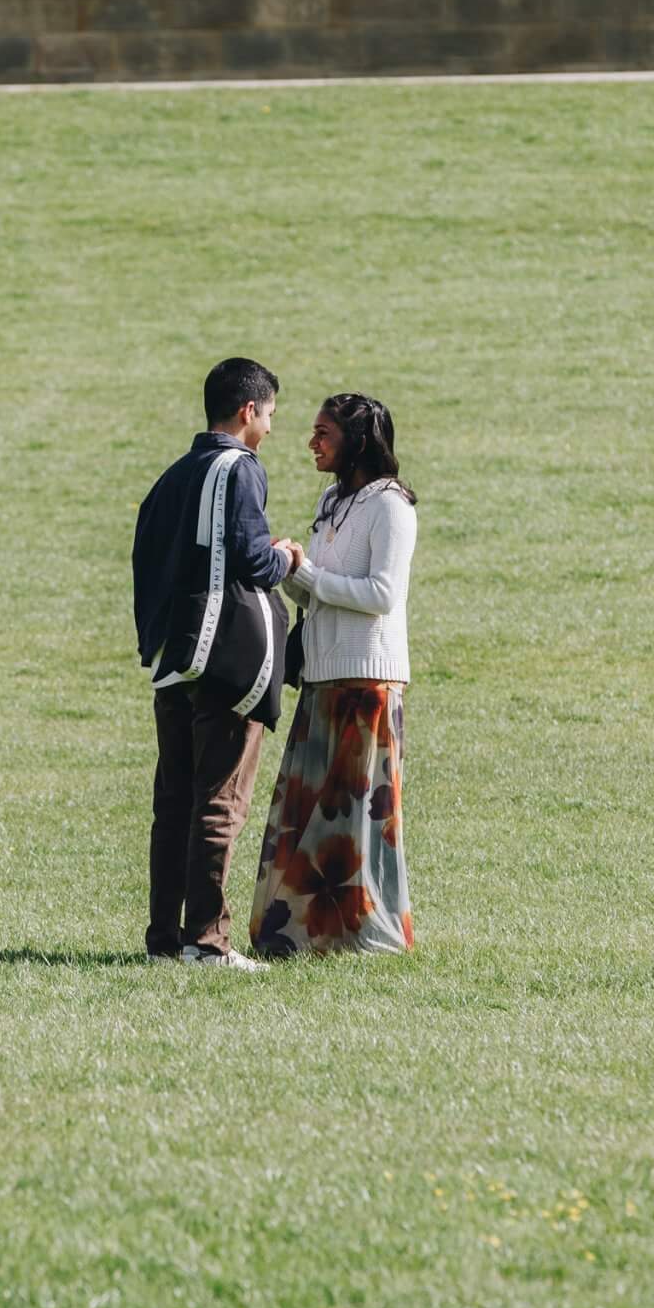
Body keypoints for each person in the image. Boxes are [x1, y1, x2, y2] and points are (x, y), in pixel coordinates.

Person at [131, 358, 306, 971]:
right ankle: (207, 942)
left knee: (173, 804)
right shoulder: (241, 468)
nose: (270, 429)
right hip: (226, 659)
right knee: (220, 802)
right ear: (247, 412)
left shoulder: (172, 476)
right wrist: (284, 556)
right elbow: (252, 561)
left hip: (173, 659)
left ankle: (164, 940)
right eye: (270, 416)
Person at [250, 393, 418, 958]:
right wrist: (290, 569)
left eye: (324, 432)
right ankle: (305, 934)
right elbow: (321, 592)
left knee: (356, 814)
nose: (311, 441)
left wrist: (309, 572)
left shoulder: (391, 505)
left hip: (368, 681)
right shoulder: (331, 500)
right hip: (323, 676)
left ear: (357, 440)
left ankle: (365, 934)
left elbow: (382, 594)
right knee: (312, 811)